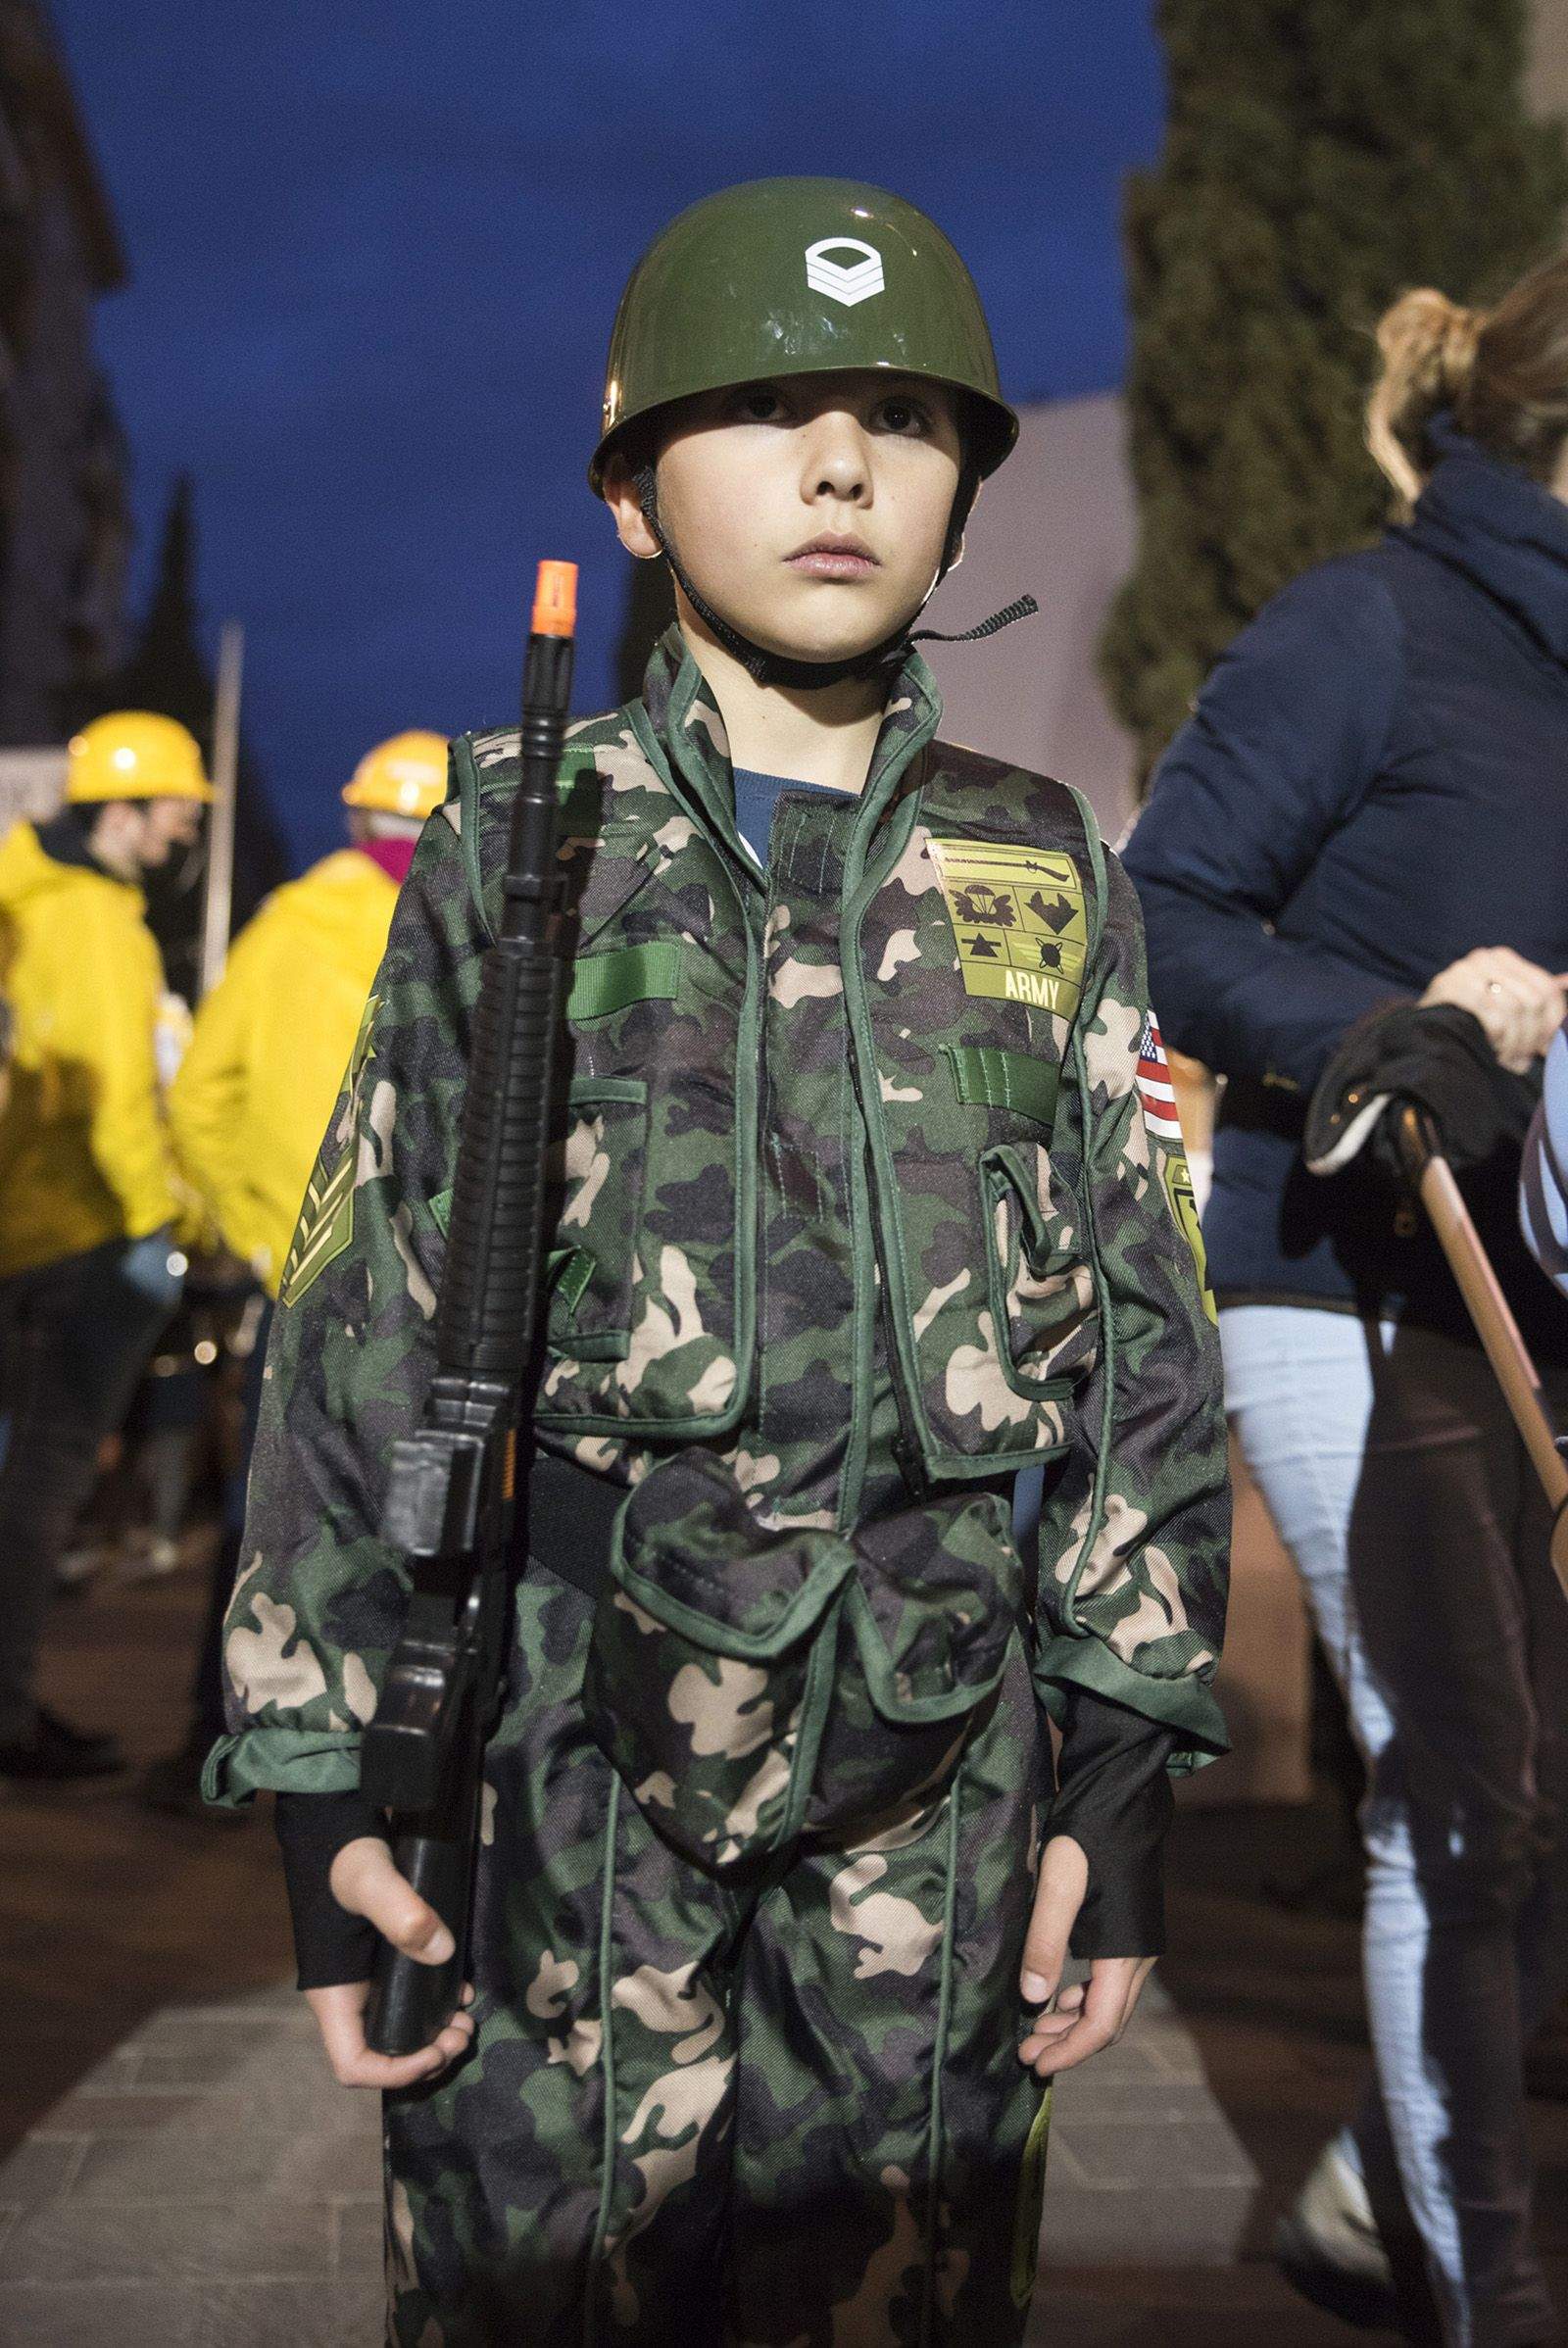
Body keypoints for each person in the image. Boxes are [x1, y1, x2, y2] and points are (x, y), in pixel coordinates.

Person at [206, 178, 1229, 2344]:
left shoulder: (1038, 864)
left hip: (941, 1794)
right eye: (762, 407)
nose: (841, 463)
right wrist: (324, 1785)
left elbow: (1149, 1320)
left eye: (901, 417)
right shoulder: (519, 830)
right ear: (634, 488)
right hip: (569, 1772)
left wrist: (1119, 1765)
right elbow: (364, 1299)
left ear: (961, 490)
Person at [1124, 256, 1568, 2348]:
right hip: (1335, 1279)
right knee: (1462, 1787)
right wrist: (1377, 1029)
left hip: (1543, 1298)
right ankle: (1485, 2287)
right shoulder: (1364, 623)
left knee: (1528, 1806)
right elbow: (1155, 903)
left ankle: (1360, 2192)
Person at [142, 731, 448, 1814]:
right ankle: (391, 1769)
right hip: (433, 1289)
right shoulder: (466, 933)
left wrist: (268, 1230)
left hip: (303, 1276)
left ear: (359, 819)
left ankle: (216, 1747)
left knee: (269, 1517)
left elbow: (203, 1098)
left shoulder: (286, 926)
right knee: (421, 1520)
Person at [0, 710, 209, 1778]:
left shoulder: (57, 904)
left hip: (37, 1226)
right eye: (175, 812)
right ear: (119, 810)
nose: (182, 836)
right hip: (82, 1232)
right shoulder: (83, 916)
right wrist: (155, 1225)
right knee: (39, 1487)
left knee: (25, 1484)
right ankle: (8, 1713)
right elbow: (109, 1095)